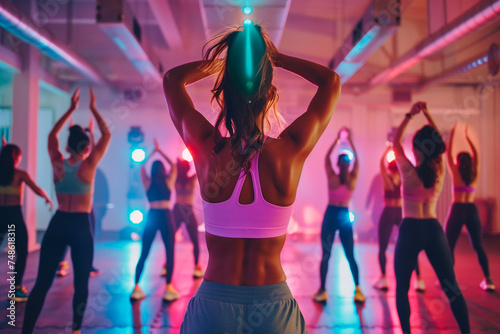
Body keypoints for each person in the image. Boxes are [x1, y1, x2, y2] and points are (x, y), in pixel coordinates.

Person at [164, 23, 340, 333]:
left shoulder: (207, 149)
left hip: (214, 306)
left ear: (225, 93)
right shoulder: (291, 150)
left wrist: (228, 63)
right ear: (271, 92)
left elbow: (172, 80)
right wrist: (271, 58)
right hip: (273, 308)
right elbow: (330, 81)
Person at [22, 87, 111, 334]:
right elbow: (106, 134)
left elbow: (51, 134)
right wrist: (92, 108)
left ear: (68, 145)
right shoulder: (90, 164)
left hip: (58, 222)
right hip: (81, 226)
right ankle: (75, 330)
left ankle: (25, 331)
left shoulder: (57, 163)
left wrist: (70, 109)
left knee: (41, 284)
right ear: (86, 148)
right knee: (81, 284)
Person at [393, 101, 470, 334]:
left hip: (410, 230)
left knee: (402, 289)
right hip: (434, 230)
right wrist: (427, 114)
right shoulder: (441, 172)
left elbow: (396, 143)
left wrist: (410, 115)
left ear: (416, 150)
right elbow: (441, 144)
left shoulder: (408, 173)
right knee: (452, 288)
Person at [313, 128, 365, 304]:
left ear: (338, 164)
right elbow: (357, 160)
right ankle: (357, 290)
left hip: (332, 214)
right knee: (350, 255)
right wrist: (348, 140)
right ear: (348, 165)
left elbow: (326, 158)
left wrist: (337, 140)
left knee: (326, 254)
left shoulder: (332, 177)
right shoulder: (352, 178)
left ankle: (322, 291)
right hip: (343, 215)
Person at [0, 137, 53, 302]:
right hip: (14, 216)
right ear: (16, 157)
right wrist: (46, 197)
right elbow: (35, 187)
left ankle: (16, 289)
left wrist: (6, 149)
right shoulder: (19, 174)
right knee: (21, 252)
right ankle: (16, 289)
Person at [445, 124, 495, 291]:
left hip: (458, 209)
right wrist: (467, 138)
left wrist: (453, 134)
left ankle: (451, 281)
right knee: (478, 246)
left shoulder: (456, 173)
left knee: (449, 245)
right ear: (470, 161)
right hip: (471, 211)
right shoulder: (474, 173)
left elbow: (448, 153)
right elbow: (477, 155)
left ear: (458, 162)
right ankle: (488, 280)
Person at [131, 139, 179, 301]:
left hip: (152, 216)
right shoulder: (168, 181)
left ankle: (136, 287)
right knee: (170, 252)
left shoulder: (148, 182)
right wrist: (160, 152)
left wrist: (153, 152)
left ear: (152, 170)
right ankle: (168, 288)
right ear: (163, 170)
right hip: (166, 216)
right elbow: (173, 166)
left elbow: (140, 167)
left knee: (144, 252)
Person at [374, 146, 425, 292]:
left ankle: (384, 278)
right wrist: (398, 152)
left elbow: (381, 165)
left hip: (389, 211)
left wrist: (387, 150)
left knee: (382, 247)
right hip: (401, 212)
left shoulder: (387, 178)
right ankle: (419, 280)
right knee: (412, 247)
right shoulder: (404, 179)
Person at [57, 119, 101, 278]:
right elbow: (95, 150)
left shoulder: (78, 160)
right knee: (77, 236)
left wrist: (85, 133)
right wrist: (90, 132)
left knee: (85, 236)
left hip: (80, 209)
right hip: (79, 211)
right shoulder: (85, 162)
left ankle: (86, 265)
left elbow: (91, 150)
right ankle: (64, 264)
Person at [171, 157, 203, 278]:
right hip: (185, 210)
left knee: (171, 240)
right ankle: (196, 266)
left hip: (179, 210)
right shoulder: (191, 179)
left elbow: (173, 167)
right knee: (194, 240)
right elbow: (200, 166)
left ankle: (196, 266)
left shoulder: (177, 179)